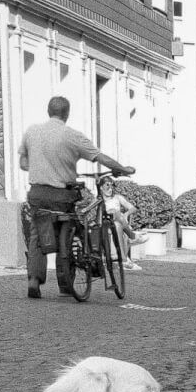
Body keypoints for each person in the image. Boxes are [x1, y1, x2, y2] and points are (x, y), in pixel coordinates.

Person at [18, 97, 134, 298]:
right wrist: (122, 169)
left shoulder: (31, 132)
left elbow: (23, 163)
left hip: (38, 195)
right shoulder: (72, 136)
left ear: (48, 111)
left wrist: (41, 168)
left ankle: (34, 281)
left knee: (37, 235)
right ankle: (66, 284)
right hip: (62, 196)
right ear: (67, 113)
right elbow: (100, 157)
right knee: (69, 230)